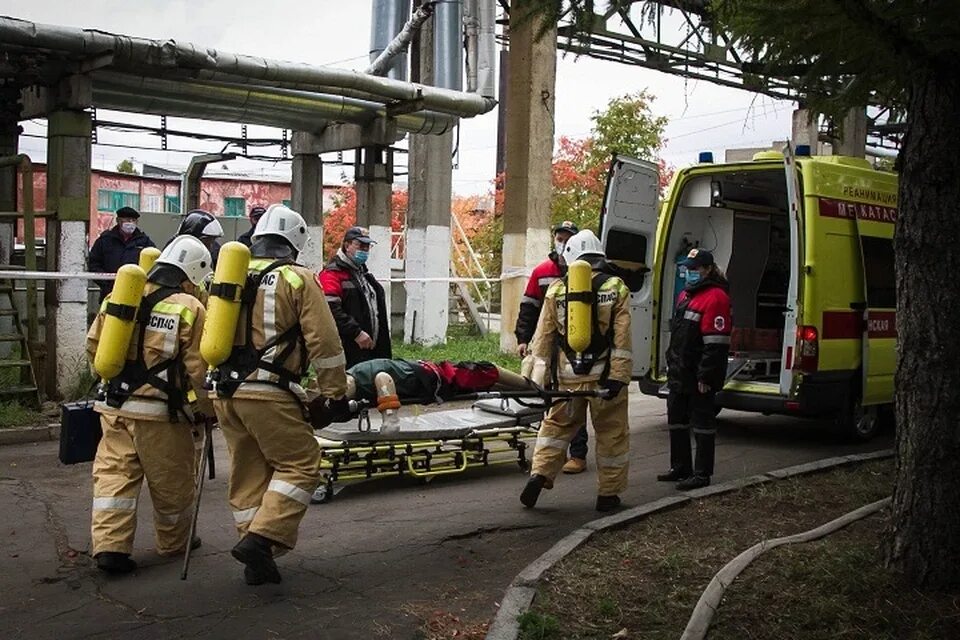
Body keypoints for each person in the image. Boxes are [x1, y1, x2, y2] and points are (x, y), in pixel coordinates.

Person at [210, 204, 348, 586]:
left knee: (249, 472)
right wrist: (333, 392)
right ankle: (262, 538)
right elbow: (325, 341)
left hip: (224, 392)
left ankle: (257, 559)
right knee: (301, 463)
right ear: (296, 242)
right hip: (267, 391)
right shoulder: (298, 278)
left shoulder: (230, 275)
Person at [85, 235, 212, 574]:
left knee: (114, 479)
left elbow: (94, 345)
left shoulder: (121, 295)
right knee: (172, 482)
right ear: (190, 275)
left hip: (113, 407)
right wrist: (206, 411)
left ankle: (110, 548)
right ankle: (174, 543)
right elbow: (198, 369)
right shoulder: (190, 307)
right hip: (160, 415)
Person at [519, 229, 633, 512]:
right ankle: (608, 495)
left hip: (566, 379)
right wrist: (619, 377)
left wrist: (538, 377)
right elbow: (622, 339)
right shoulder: (615, 287)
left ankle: (540, 474)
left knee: (555, 428)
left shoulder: (557, 289)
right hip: (604, 380)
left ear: (569, 256)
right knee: (612, 434)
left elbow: (543, 337)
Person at [514, 221, 591, 474]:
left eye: (567, 238)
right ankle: (549, 456)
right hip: (549, 347)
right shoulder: (543, 271)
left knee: (574, 400)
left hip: (575, 347)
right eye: (559, 237)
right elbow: (529, 308)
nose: (562, 241)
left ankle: (577, 454)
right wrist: (523, 339)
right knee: (550, 401)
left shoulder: (585, 274)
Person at [657, 248, 731, 490]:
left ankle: (701, 474)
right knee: (676, 420)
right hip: (680, 370)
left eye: (694, 268)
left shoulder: (716, 297)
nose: (689, 273)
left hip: (698, 375)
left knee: (702, 424)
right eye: (687, 268)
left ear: (708, 269)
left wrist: (706, 375)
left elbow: (716, 344)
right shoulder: (687, 296)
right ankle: (680, 467)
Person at [317, 226, 392, 368]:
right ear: (347, 245)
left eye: (367, 247)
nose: (364, 250)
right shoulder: (332, 273)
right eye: (360, 245)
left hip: (370, 349)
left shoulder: (363, 274)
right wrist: (356, 333)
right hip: (348, 349)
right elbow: (330, 309)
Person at [88, 206, 156, 301]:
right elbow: (94, 263)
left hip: (135, 292)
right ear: (119, 221)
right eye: (128, 220)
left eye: (134, 220)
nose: (131, 223)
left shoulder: (144, 241)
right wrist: (106, 284)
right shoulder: (105, 240)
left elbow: (153, 263)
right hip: (109, 292)